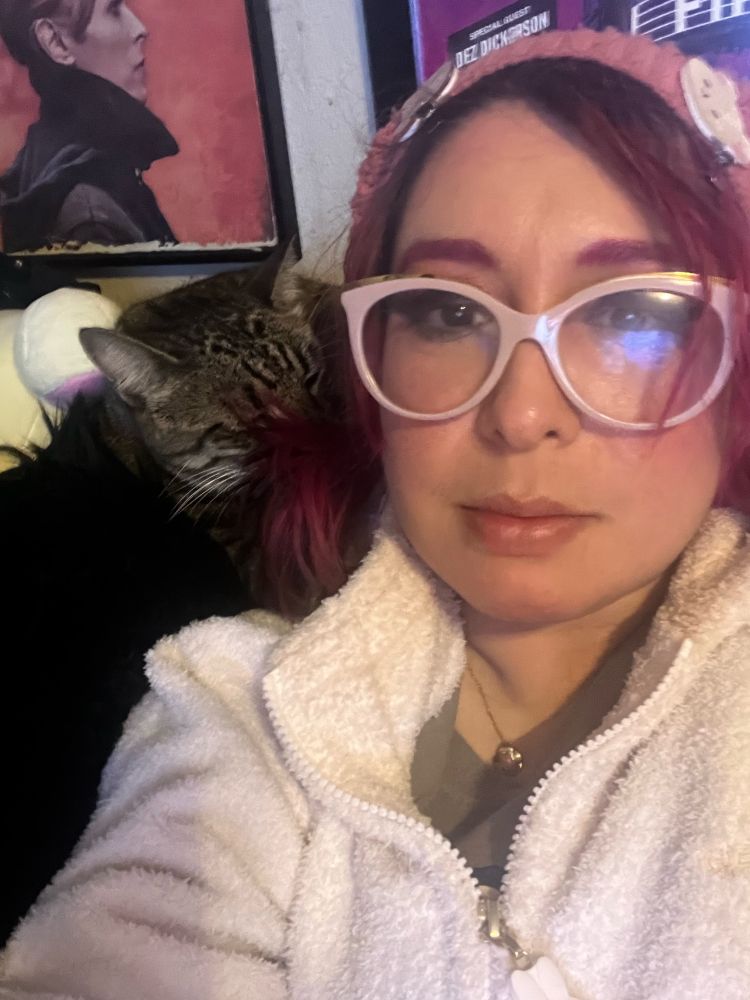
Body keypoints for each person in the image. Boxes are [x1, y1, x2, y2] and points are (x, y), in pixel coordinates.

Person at [2, 26, 750, 1000]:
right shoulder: (236, 705)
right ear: (367, 371)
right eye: (447, 311)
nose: (521, 414)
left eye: (632, 311)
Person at [0, 0, 177, 251]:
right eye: (114, 10)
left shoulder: (50, 160)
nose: (140, 29)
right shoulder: (92, 217)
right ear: (56, 42)